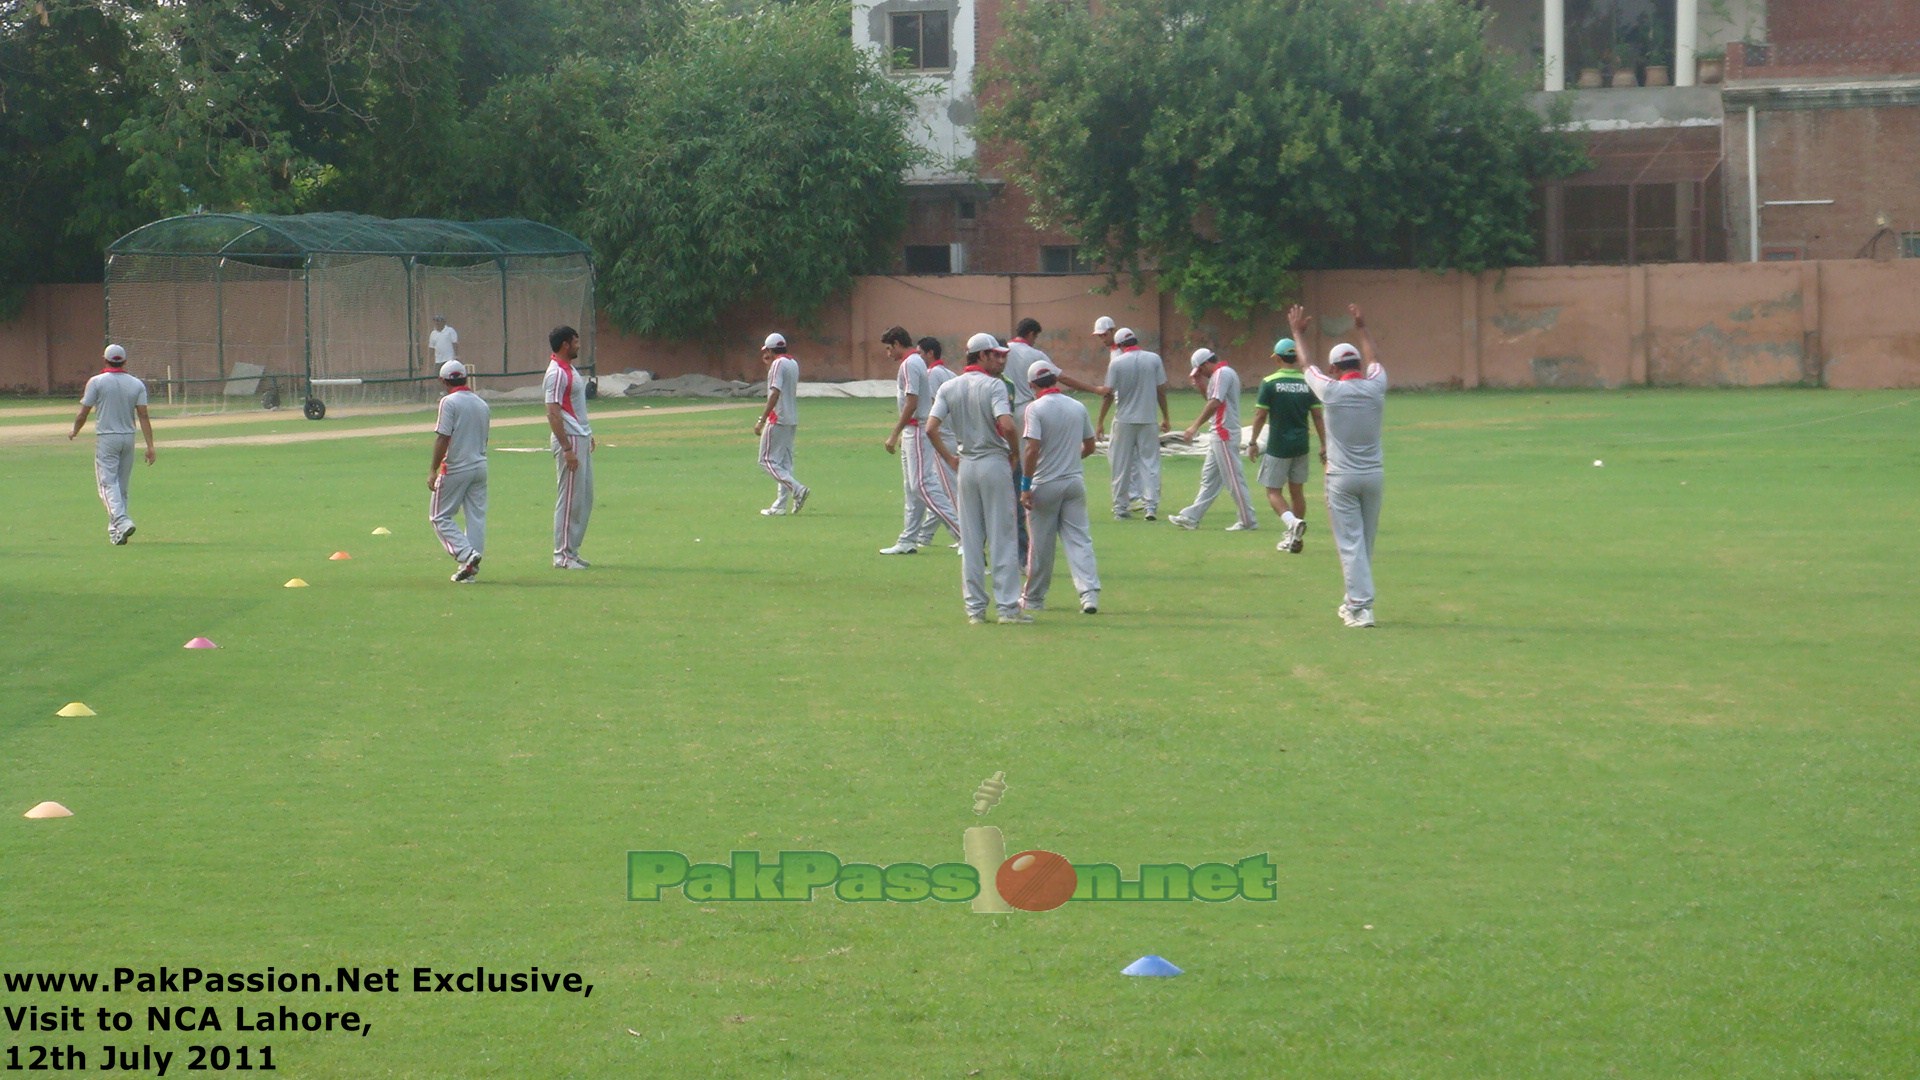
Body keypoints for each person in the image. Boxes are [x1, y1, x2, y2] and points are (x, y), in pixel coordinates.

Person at [926, 333, 1027, 624]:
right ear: (980, 356)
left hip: (966, 463)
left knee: (971, 540)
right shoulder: (994, 386)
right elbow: (1007, 425)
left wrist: (949, 459)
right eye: (996, 355)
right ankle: (1007, 608)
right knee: (1002, 536)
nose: (1001, 360)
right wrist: (1014, 453)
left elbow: (931, 427)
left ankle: (975, 610)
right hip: (993, 461)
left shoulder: (949, 386)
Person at [1299, 304, 1388, 628]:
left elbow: (1307, 364)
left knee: (1350, 543)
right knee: (1364, 543)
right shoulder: (1376, 386)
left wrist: (1297, 332)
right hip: (1373, 477)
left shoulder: (1331, 391)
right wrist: (1362, 327)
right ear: (1357, 365)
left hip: (1341, 478)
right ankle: (1356, 601)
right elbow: (1376, 360)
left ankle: (1360, 607)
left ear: (1335, 368)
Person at [1019, 358, 1101, 616]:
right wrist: (1073, 457)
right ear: (1055, 379)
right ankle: (1089, 594)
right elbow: (1090, 446)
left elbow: (1032, 448)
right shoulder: (1077, 407)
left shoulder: (1035, 409)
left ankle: (1033, 598)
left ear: (1032, 385)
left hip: (1045, 483)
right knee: (1079, 540)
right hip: (1074, 482)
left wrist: (1025, 485)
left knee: (1041, 545)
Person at [1247, 320, 1326, 554]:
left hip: (1278, 446)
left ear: (1277, 358)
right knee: (1297, 491)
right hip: (1301, 445)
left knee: (1272, 491)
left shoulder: (1270, 383)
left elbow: (1261, 415)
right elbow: (1318, 417)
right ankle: (1295, 539)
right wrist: (1324, 444)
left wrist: (1252, 441)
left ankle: (1292, 523)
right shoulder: (1308, 382)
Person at [880, 326, 958, 555]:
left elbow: (911, 402)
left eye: (888, 348)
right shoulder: (914, 363)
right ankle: (908, 539)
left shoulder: (910, 363)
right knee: (911, 488)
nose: (888, 354)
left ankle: (963, 533)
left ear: (896, 344)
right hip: (912, 431)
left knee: (922, 485)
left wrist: (894, 433)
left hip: (917, 429)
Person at [69, 343, 155, 545]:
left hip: (108, 438)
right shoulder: (136, 384)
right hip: (128, 438)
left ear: (104, 359)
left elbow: (84, 412)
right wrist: (150, 446)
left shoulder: (96, 382)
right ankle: (116, 532)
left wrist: (75, 430)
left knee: (107, 485)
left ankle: (122, 521)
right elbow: (143, 415)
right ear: (124, 361)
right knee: (121, 487)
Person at [1171, 347, 1258, 531]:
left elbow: (1215, 402)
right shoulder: (1220, 375)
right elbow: (1210, 398)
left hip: (1224, 432)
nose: (1201, 374)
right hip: (1218, 433)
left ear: (1205, 364)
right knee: (1209, 480)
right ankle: (1191, 517)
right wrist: (1199, 383)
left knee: (1233, 479)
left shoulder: (1222, 373)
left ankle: (1248, 520)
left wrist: (1194, 426)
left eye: (1200, 371)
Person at [428, 360, 490, 583]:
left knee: (439, 516)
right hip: (480, 466)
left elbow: (443, 437)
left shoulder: (448, 402)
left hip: (456, 467)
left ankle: (466, 555)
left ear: (443, 381)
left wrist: (432, 470)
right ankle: (469, 572)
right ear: (465, 377)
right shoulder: (482, 404)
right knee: (476, 518)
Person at [1102, 327, 1170, 520]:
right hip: (1148, 419)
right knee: (1150, 463)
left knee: (1120, 464)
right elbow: (1161, 390)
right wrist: (1166, 417)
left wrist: (1100, 422)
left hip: (1124, 420)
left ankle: (1120, 508)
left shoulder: (1117, 363)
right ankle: (1151, 506)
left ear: (1121, 345)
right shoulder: (1154, 359)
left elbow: (1108, 394)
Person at [544, 325, 594, 569]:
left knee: (584, 498)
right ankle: (561, 556)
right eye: (575, 341)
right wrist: (566, 447)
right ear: (565, 344)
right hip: (570, 439)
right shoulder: (556, 373)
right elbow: (553, 412)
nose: (578, 344)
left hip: (580, 435)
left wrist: (588, 433)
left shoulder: (569, 368)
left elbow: (576, 406)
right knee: (570, 498)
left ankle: (572, 551)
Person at [908, 336, 959, 549]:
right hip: (953, 434)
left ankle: (963, 536)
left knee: (949, 489)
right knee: (936, 486)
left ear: (930, 353)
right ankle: (925, 534)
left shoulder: (930, 375)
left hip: (939, 436)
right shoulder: (951, 374)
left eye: (920, 353)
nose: (918, 358)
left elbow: (927, 405)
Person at [755, 332, 810, 516]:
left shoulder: (778, 364)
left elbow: (775, 393)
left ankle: (798, 489)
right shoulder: (792, 363)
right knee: (784, 463)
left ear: (770, 350)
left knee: (766, 460)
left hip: (777, 417)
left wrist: (762, 419)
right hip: (792, 417)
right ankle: (780, 505)